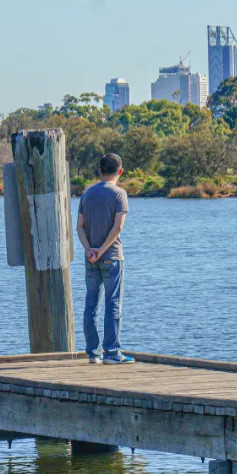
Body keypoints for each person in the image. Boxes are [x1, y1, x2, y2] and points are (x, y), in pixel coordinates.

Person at [77, 153, 134, 365]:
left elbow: (79, 227)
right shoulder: (120, 194)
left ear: (99, 171)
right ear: (120, 171)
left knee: (91, 303)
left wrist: (89, 249)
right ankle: (112, 353)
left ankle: (93, 353)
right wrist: (101, 250)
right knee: (113, 304)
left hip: (90, 257)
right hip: (111, 257)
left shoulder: (87, 194)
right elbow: (118, 227)